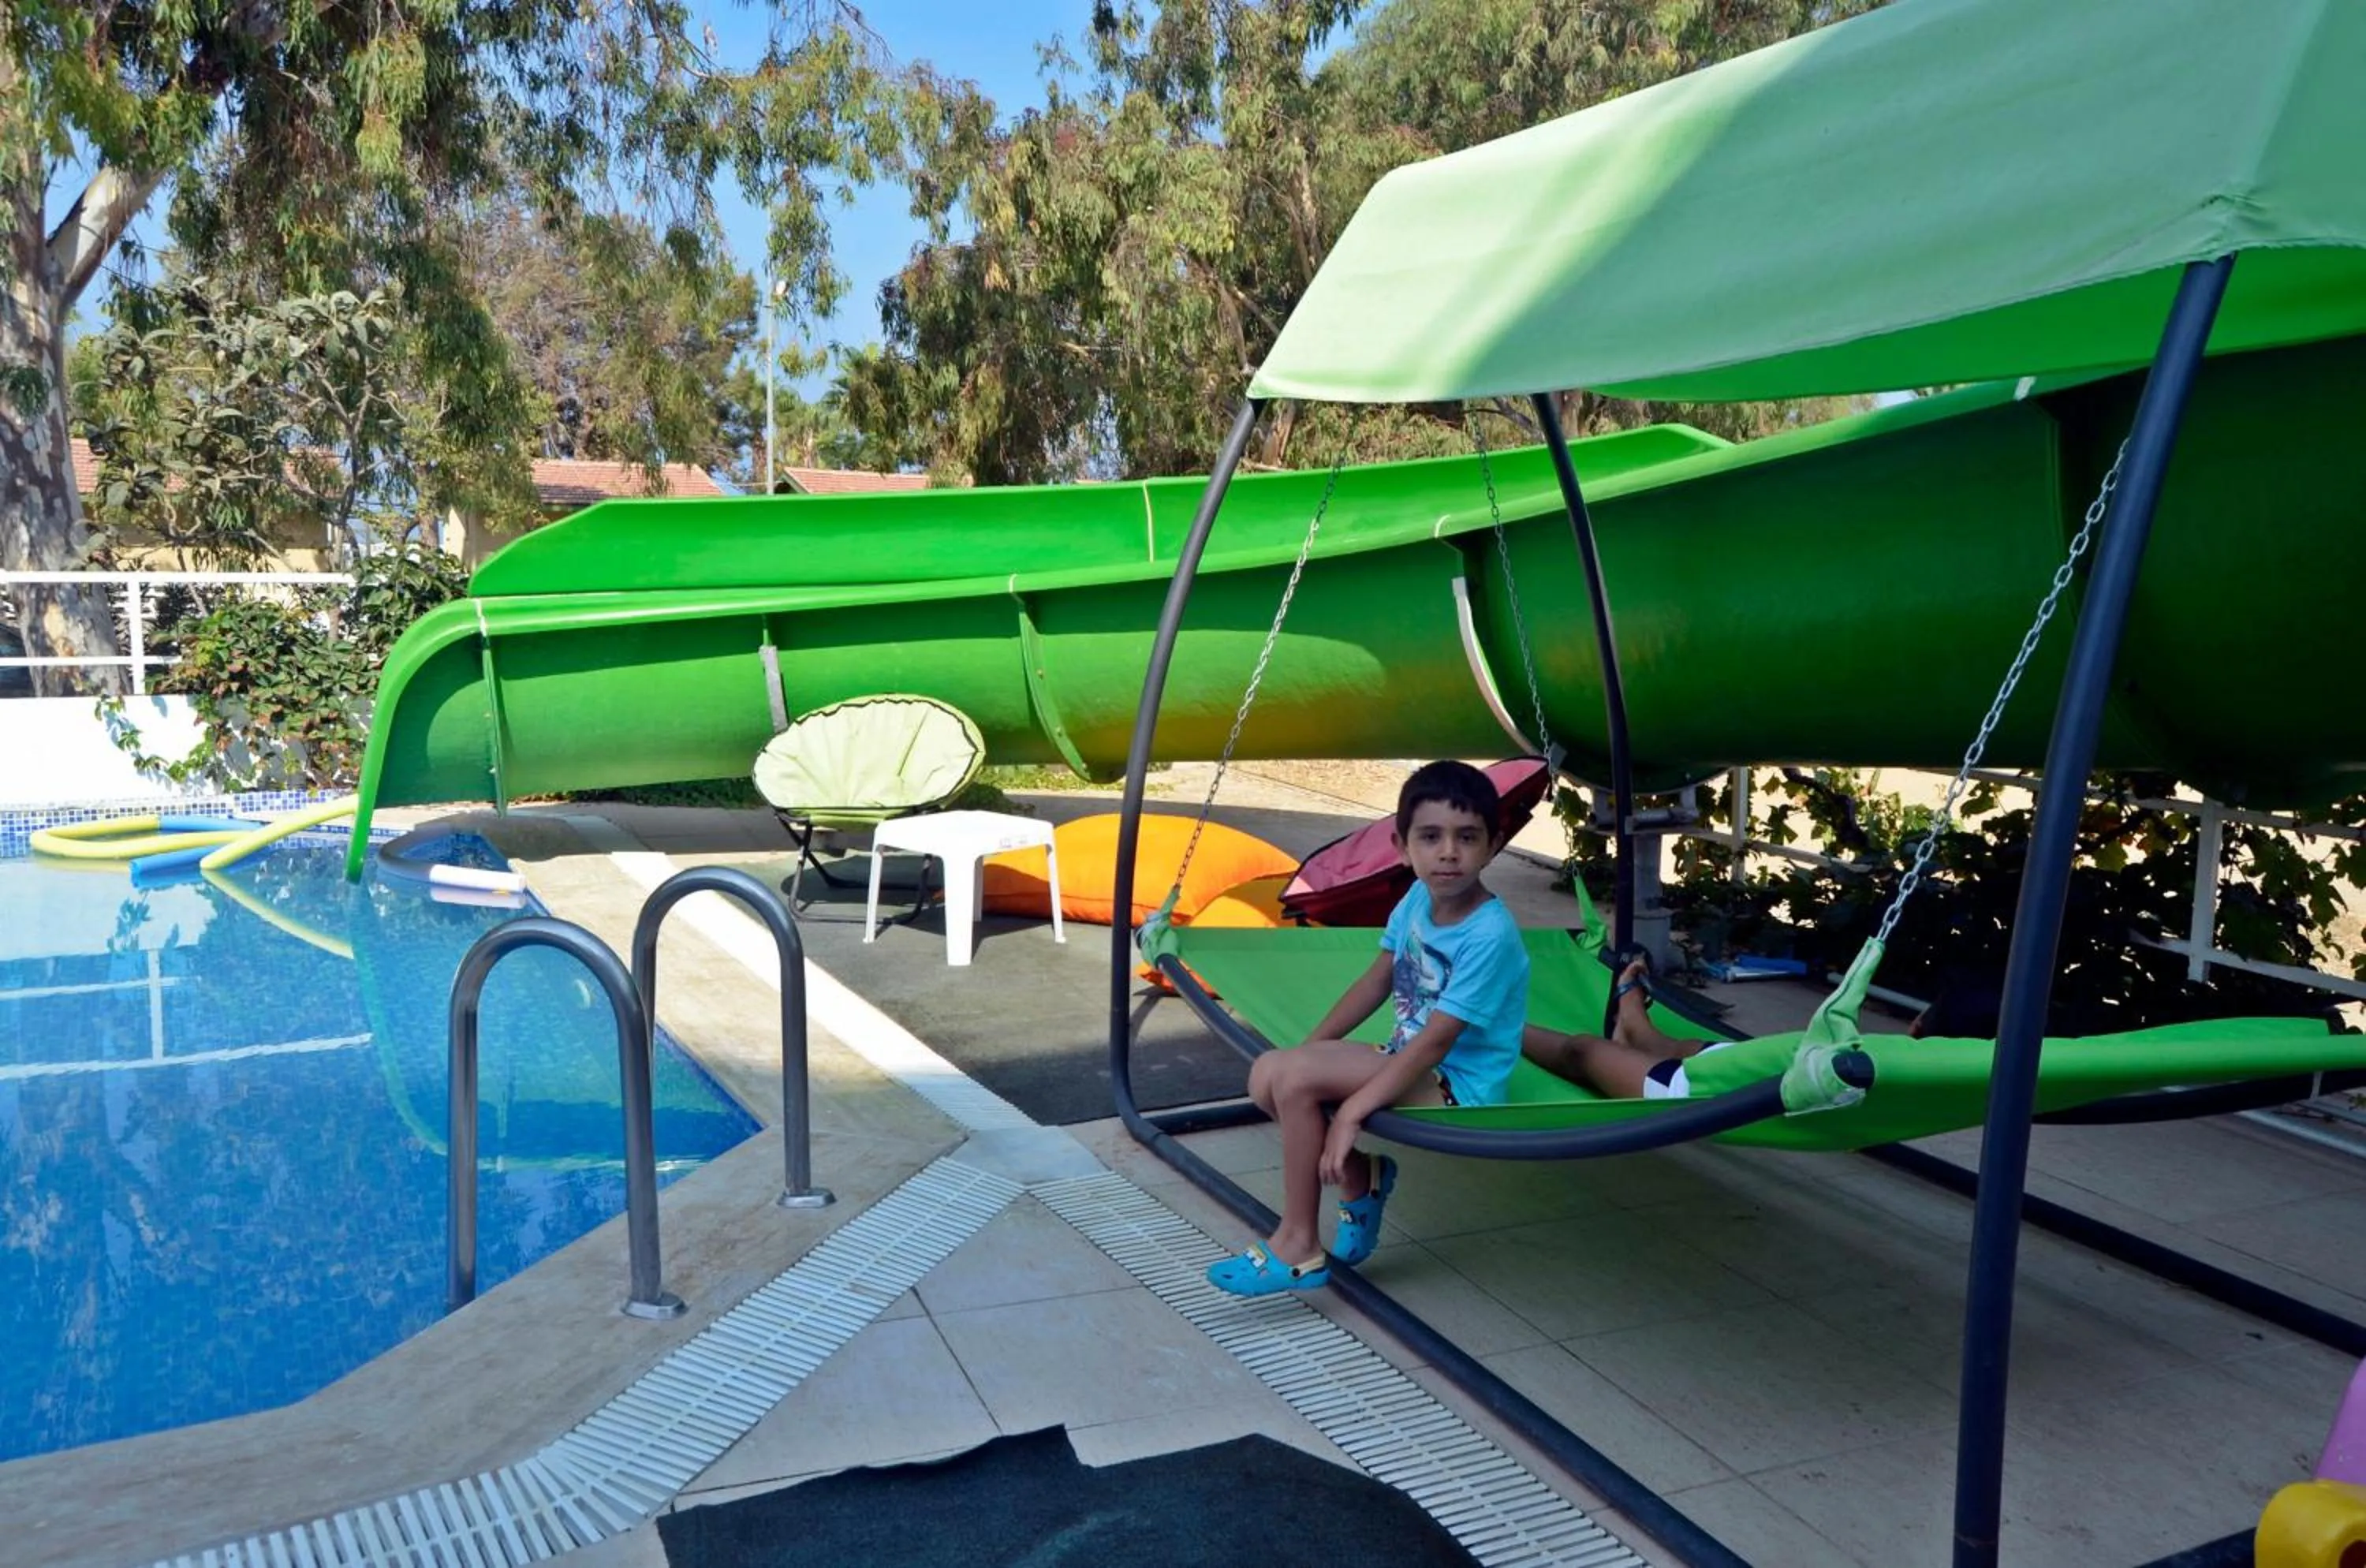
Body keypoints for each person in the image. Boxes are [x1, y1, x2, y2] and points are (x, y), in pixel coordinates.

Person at [1205, 760, 1531, 1297]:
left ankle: (1298, 1245)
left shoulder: (1489, 934)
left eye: (1467, 838)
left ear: (1493, 845)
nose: (1448, 852)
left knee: (1294, 1079)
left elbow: (1437, 1041)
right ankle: (1363, 1179)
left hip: (1458, 1083)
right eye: (1430, 837)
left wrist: (1351, 1113)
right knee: (1269, 1073)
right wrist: (1309, 1050)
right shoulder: (1418, 899)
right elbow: (1376, 979)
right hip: (1409, 1057)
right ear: (1402, 846)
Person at [1518, 957, 1726, 1099]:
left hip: (1724, 1095)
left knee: (1582, 1050)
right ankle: (1636, 1029)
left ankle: (1507, 1029)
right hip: (1744, 1063)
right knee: (1677, 1048)